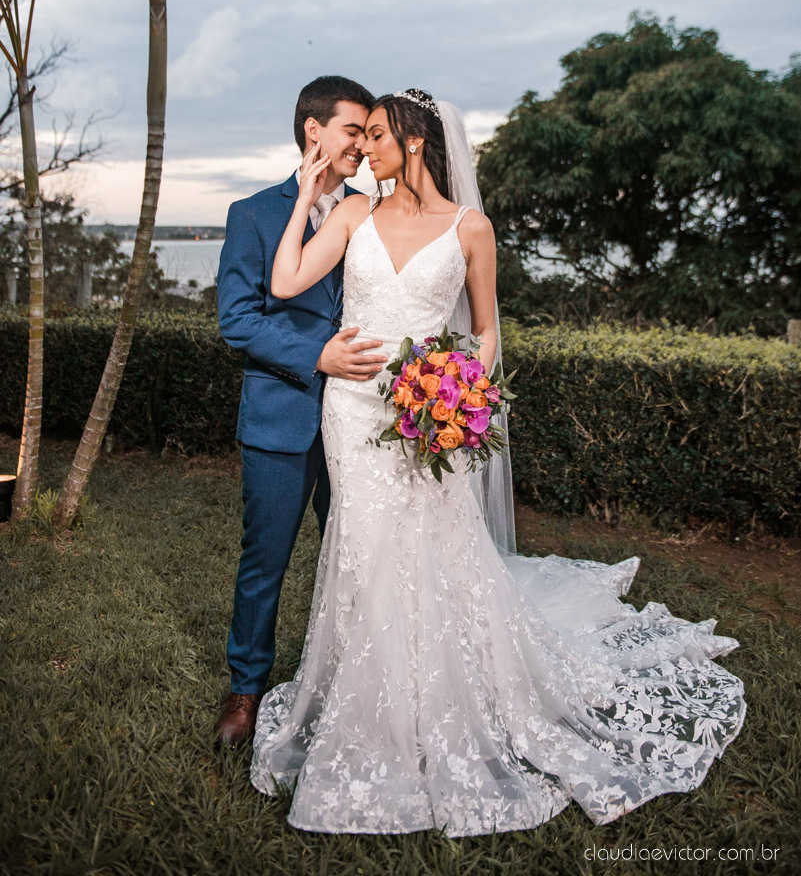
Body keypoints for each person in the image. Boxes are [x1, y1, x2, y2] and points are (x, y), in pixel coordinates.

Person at [250, 89, 746, 836]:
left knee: (432, 550)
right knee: (363, 548)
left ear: (414, 142)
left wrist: (460, 392)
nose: (365, 148)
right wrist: (306, 196)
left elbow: (485, 331)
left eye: (376, 135)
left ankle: (441, 695)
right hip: (353, 411)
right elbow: (285, 281)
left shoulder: (470, 227)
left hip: (428, 416)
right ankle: (371, 695)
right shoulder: (352, 213)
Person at [215, 75, 385, 747]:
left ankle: (358, 680)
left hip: (362, 422)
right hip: (280, 419)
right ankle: (245, 689)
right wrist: (317, 355)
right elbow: (237, 321)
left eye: (370, 133)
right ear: (314, 130)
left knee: (361, 557)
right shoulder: (253, 214)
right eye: (353, 130)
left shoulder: (373, 212)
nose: (363, 145)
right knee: (266, 563)